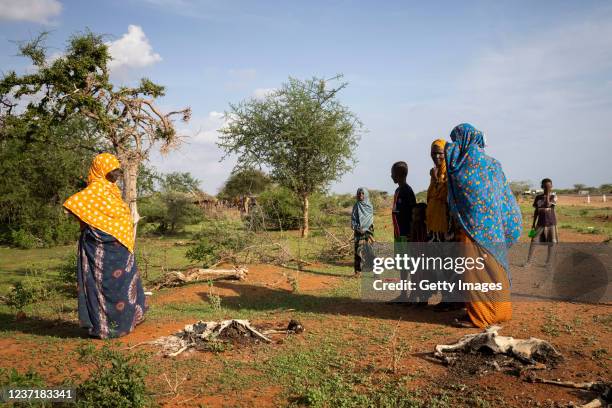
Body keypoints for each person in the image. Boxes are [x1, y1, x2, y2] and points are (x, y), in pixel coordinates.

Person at [445, 124, 522, 328]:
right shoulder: (494, 165)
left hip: (474, 230)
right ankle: (500, 312)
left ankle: (483, 316)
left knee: (476, 273)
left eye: (456, 140)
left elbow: (452, 167)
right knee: (495, 270)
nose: (453, 145)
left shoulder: (464, 164)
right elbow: (505, 199)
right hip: (495, 229)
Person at [63, 153, 146, 339]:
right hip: (99, 248)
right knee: (102, 285)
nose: (116, 174)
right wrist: (89, 226)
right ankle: (106, 327)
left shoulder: (113, 191)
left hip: (121, 248)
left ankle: (125, 322)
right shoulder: (91, 193)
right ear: (101, 170)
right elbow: (73, 205)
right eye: (112, 171)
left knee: (122, 284)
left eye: (117, 170)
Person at [391, 161, 417, 302]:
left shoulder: (407, 191)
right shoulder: (397, 191)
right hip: (398, 234)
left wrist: (411, 233)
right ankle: (403, 294)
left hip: (406, 234)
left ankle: (412, 294)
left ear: (400, 174)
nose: (391, 176)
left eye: (393, 173)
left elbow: (413, 213)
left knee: (409, 265)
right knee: (402, 265)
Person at [525, 178, 558, 266]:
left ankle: (548, 262)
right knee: (534, 241)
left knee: (551, 242)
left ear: (552, 187)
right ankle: (529, 262)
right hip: (540, 223)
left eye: (549, 186)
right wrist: (533, 224)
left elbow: (548, 204)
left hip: (551, 223)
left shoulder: (553, 197)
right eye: (546, 186)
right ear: (542, 186)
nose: (548, 188)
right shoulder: (538, 197)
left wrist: (547, 194)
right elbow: (536, 211)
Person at [426, 139, 450, 242]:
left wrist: (436, 179)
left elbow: (444, 195)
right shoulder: (435, 171)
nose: (436, 156)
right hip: (432, 223)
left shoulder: (450, 172)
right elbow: (430, 196)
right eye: (433, 153)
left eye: (440, 153)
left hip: (445, 224)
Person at [351, 187, 374, 276]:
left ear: (366, 195)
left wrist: (365, 228)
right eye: (359, 193)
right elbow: (353, 219)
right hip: (358, 231)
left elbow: (370, 219)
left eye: (362, 193)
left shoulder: (369, 206)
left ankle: (376, 272)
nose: (361, 195)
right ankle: (358, 272)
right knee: (358, 251)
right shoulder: (356, 206)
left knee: (371, 251)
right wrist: (357, 228)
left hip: (369, 231)